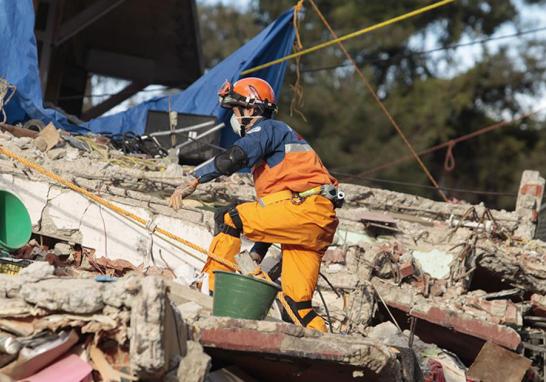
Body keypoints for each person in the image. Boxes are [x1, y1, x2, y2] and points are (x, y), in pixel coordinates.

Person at [169, 77, 342, 332]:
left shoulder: (268, 129)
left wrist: (194, 179)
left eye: (235, 110)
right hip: (315, 220)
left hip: (307, 210)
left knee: (230, 217)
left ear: (250, 109)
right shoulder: (279, 158)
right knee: (297, 306)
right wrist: (255, 257)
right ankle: (330, 353)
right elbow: (277, 218)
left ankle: (212, 296)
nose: (233, 118)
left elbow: (234, 157)